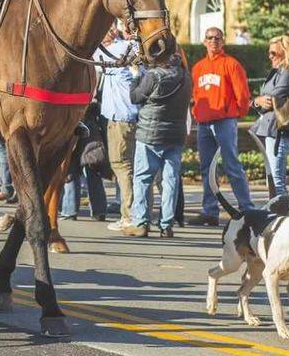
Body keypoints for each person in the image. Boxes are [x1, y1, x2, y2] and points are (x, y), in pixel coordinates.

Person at [190, 27, 254, 225]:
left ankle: (247, 209)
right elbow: (195, 95)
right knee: (207, 168)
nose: (213, 41)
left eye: (217, 38)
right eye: (209, 38)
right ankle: (210, 210)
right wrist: (196, 113)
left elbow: (242, 95)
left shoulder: (231, 64)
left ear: (223, 41)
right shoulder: (198, 67)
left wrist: (236, 114)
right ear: (204, 41)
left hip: (224, 122)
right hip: (204, 123)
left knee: (232, 165)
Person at [123, 52, 191, 237]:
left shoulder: (153, 76)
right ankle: (166, 225)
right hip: (175, 134)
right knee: (170, 180)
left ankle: (141, 222)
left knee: (143, 178)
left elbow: (135, 97)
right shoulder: (185, 76)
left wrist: (136, 75)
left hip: (150, 134)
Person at [94, 29, 140, 232]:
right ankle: (140, 213)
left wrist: (102, 35)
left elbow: (86, 51)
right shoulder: (131, 48)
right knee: (136, 168)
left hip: (119, 119)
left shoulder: (116, 49)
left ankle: (129, 215)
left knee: (121, 166)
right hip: (133, 117)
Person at [250, 35, 289, 198]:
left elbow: (272, 98)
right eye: (270, 53)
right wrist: (258, 101)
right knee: (274, 181)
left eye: (274, 53)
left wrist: (257, 101)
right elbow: (264, 101)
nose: (270, 56)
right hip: (273, 129)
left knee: (277, 182)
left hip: (280, 130)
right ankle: (279, 214)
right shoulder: (277, 72)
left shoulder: (288, 72)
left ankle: (282, 217)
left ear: (286, 52)